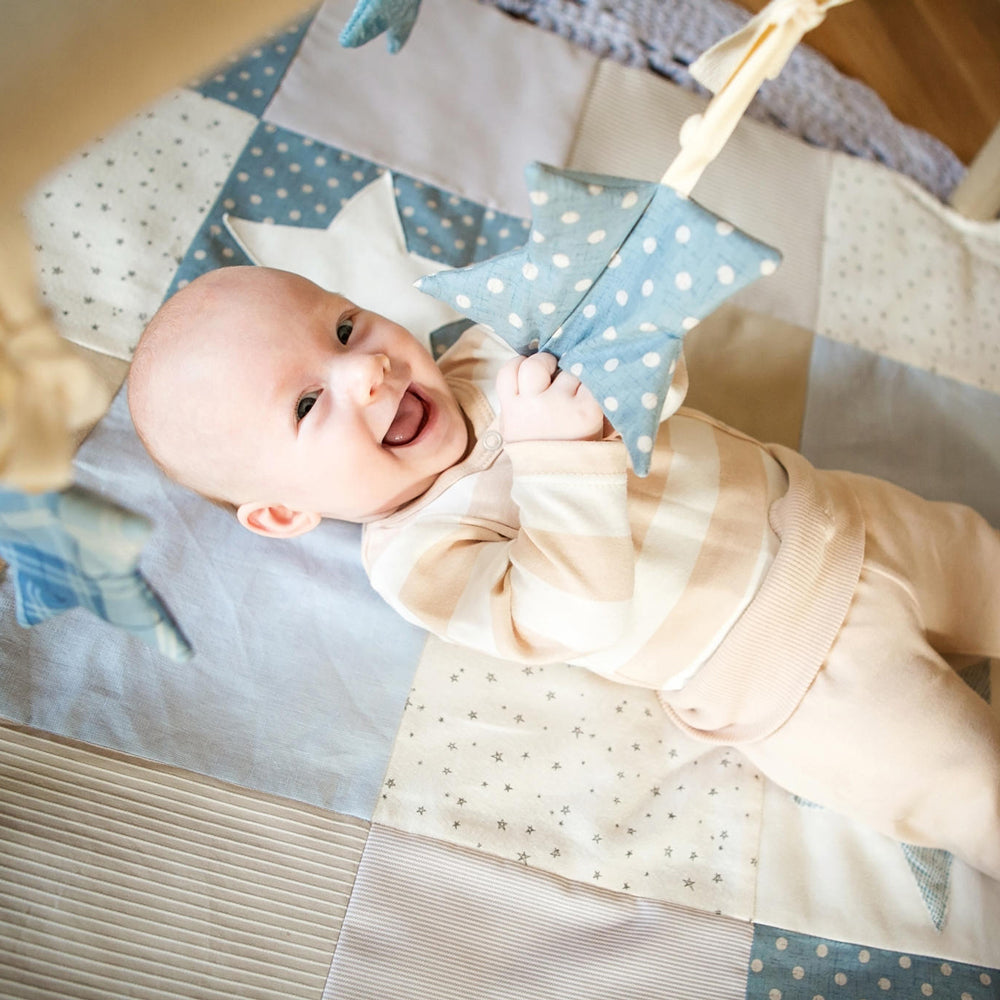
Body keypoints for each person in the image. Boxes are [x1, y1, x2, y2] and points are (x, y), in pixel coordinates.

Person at [128, 264, 1000, 879]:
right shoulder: (419, 558)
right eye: (308, 403)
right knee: (971, 785)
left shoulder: (488, 353)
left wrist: (622, 355)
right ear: (284, 513)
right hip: (800, 675)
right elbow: (576, 618)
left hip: (846, 514)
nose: (365, 368)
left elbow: (654, 380)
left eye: (345, 325)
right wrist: (559, 453)